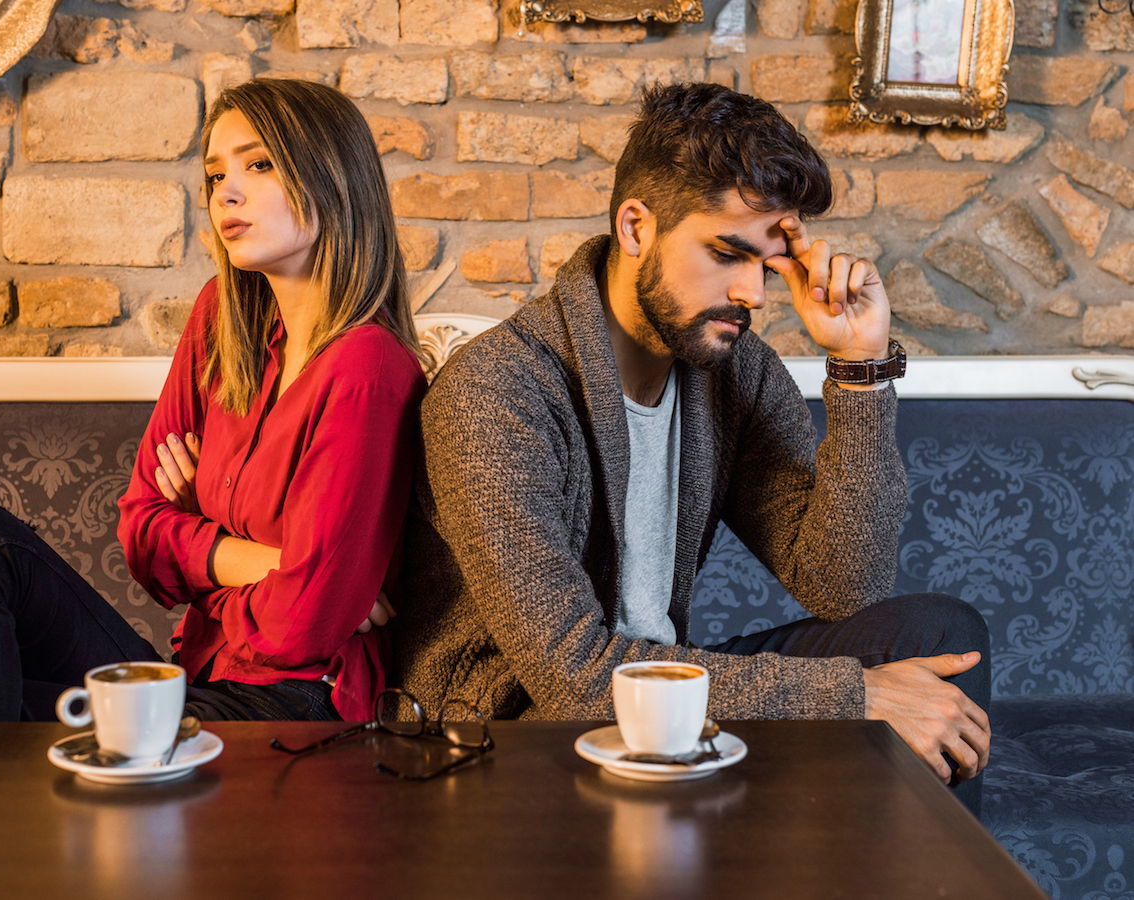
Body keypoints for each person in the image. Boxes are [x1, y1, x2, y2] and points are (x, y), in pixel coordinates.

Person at [395, 83, 991, 812]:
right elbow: (572, 677)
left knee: (936, 635)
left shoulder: (735, 373)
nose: (754, 295)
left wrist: (860, 370)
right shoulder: (498, 391)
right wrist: (851, 695)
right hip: (512, 736)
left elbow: (843, 585)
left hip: (663, 707)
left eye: (768, 264)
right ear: (637, 226)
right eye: (726, 253)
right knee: (869, 699)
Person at [0, 78, 426, 786]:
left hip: (291, 706)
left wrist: (228, 551)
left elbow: (299, 631)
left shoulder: (367, 369)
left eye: (258, 164)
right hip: (192, 675)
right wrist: (275, 562)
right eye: (215, 174)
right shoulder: (222, 323)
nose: (227, 191)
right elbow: (142, 535)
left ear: (332, 174)